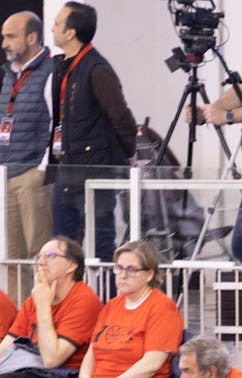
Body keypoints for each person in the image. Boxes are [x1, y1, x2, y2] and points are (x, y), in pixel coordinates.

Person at [38, 242, 184, 378]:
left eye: (131, 270)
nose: (122, 276)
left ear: (149, 274)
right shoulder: (112, 306)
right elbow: (91, 355)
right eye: (118, 268)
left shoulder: (162, 308)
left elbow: (151, 364)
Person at [48, 3, 136, 257]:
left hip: (95, 169)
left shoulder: (97, 69)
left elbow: (121, 115)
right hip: (66, 167)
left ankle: (106, 295)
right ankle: (68, 297)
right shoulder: (62, 66)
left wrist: (128, 156)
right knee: (62, 245)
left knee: (100, 242)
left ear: (71, 33)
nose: (52, 28)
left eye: (57, 23)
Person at [0, 236, 102, 378]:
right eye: (39, 256)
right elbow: (6, 346)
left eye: (50, 255)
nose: (41, 262)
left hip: (65, 374)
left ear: (72, 265)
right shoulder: (37, 297)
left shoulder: (83, 300)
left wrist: (43, 306)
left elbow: (51, 360)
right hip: (27, 366)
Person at [0, 14, 52, 276]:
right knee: (10, 258)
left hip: (33, 177)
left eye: (10, 36)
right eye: (3, 37)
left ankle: (46, 315)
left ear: (31, 38)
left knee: (41, 255)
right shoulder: (8, 74)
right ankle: (19, 316)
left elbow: (57, 122)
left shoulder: (51, 71)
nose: (4, 43)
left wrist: (43, 169)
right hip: (6, 175)